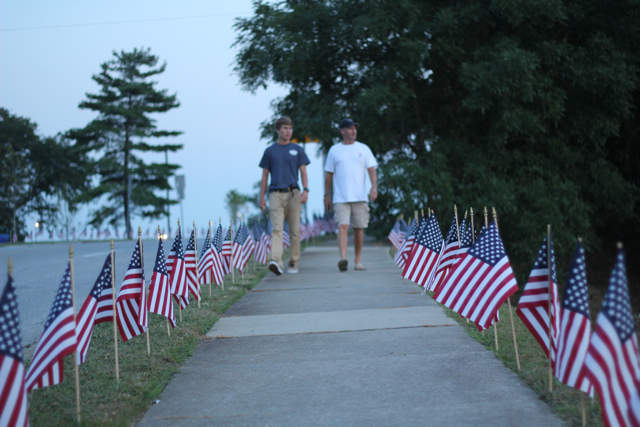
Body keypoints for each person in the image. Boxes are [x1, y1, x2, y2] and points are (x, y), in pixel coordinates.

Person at [324, 118, 378, 272]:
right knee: (343, 226)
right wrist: (326, 195)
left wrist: (374, 187)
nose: (353, 131)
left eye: (355, 128)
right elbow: (328, 175)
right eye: (350, 128)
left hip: (360, 196)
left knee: (359, 228)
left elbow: (372, 170)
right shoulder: (334, 150)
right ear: (342, 131)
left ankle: (358, 260)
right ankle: (343, 258)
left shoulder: (363, 148)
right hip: (341, 197)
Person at [259, 116, 310, 275]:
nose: (288, 131)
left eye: (290, 128)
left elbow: (303, 171)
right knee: (277, 230)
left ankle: (293, 262)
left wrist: (306, 190)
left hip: (293, 193)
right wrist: (261, 197)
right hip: (275, 194)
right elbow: (265, 175)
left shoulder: (297, 150)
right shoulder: (270, 151)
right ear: (278, 130)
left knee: (295, 230)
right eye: (285, 128)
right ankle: (276, 261)